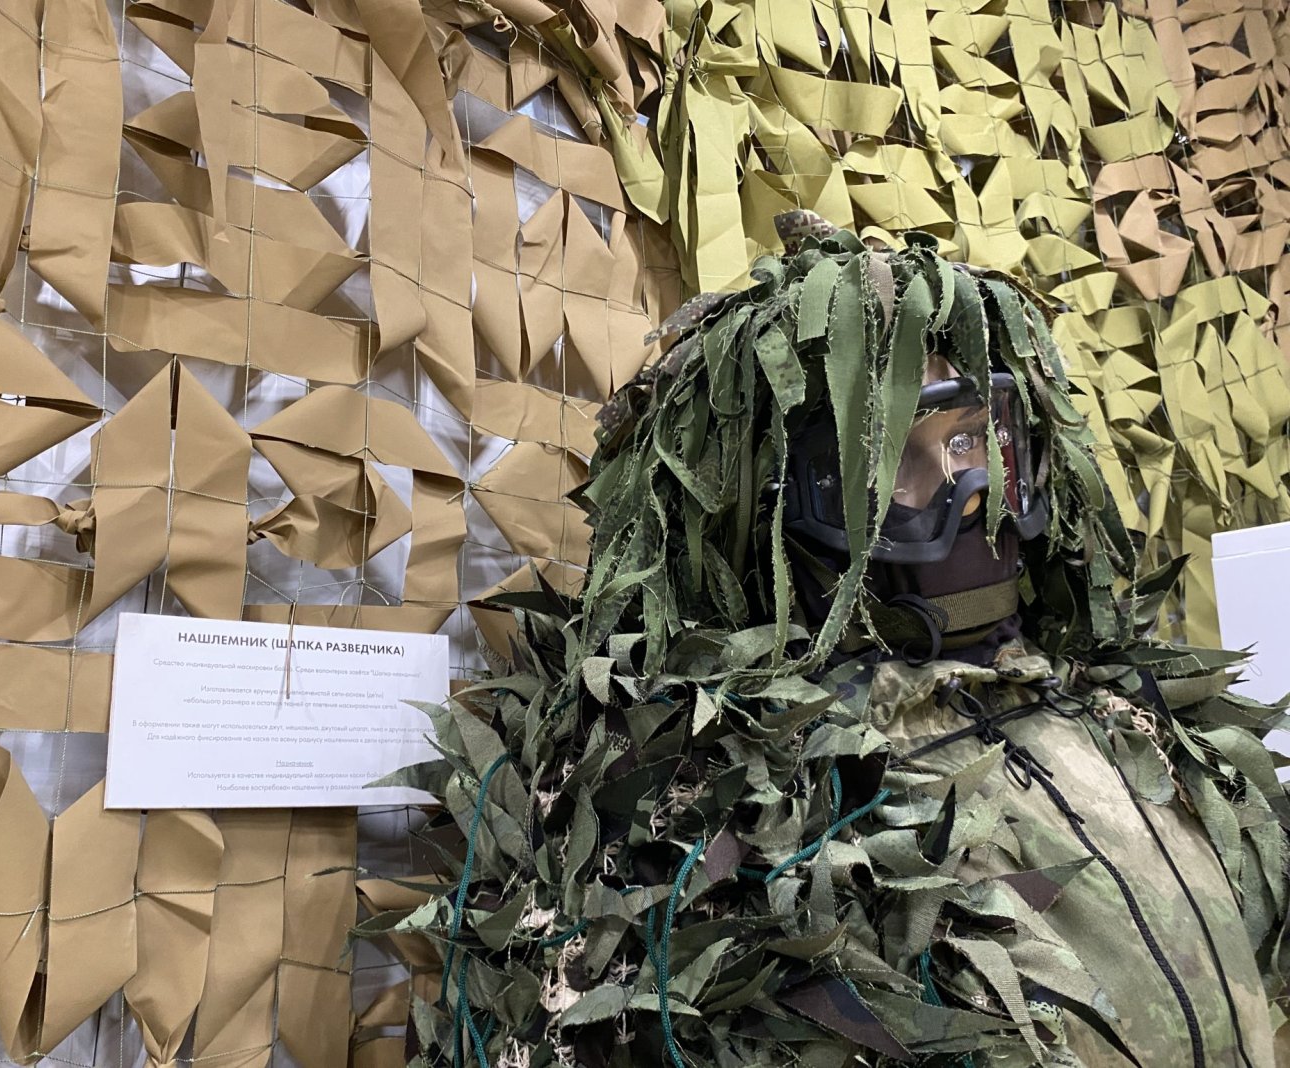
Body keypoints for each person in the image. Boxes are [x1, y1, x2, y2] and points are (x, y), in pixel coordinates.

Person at [386, 215, 1288, 1067]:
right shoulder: (780, 803)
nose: (966, 490)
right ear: (788, 505)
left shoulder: (1118, 716)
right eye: (890, 462)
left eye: (972, 442)